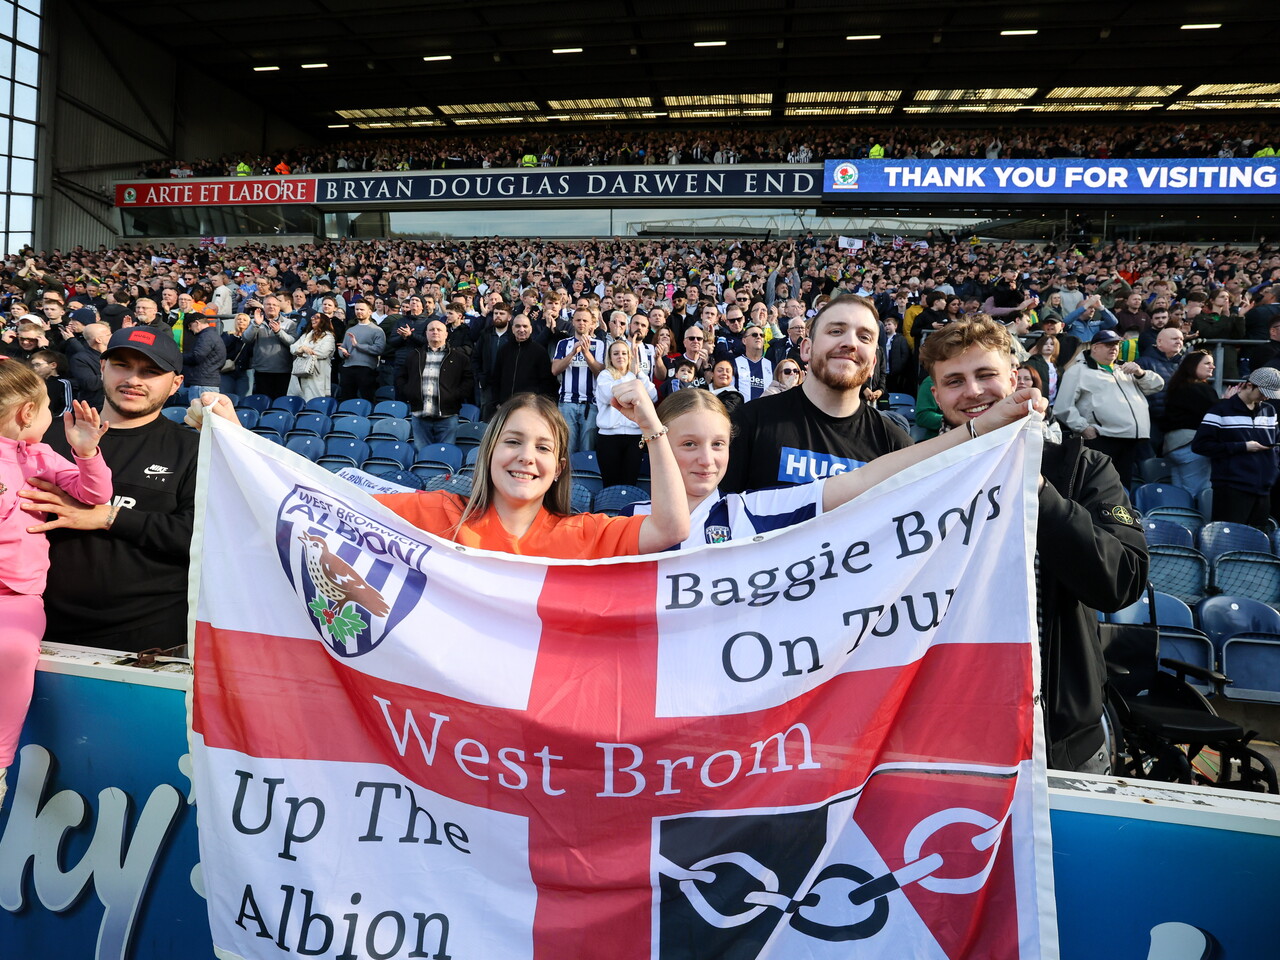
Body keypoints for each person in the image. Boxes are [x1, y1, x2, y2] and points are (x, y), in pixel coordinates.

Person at [919, 317, 1148, 773]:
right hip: (941, 730)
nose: (973, 392)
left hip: (1060, 734)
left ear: (1013, 378)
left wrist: (1036, 487)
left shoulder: (1084, 466)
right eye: (954, 381)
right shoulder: (917, 474)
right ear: (937, 394)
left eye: (986, 375)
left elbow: (1120, 581)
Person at [625, 367, 1045, 549]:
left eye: (718, 444)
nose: (707, 460)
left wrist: (978, 430)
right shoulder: (621, 523)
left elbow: (868, 479)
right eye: (687, 444)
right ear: (655, 443)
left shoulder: (750, 510)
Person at [20, 327, 197, 653]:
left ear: (175, 384)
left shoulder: (193, 449)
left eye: (151, 372)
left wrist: (109, 516)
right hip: (37, 631)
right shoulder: (45, 438)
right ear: (102, 368)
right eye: (122, 365)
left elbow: (202, 537)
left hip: (150, 645)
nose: (133, 379)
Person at [370, 389, 688, 558]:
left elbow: (671, 528)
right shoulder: (437, 512)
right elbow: (330, 506)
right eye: (513, 441)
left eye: (543, 448)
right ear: (489, 451)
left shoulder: (582, 535)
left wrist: (651, 428)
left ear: (558, 469)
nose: (526, 457)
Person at [0, 363, 111, 810]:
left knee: (16, 652)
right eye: (49, 408)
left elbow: (95, 495)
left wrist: (86, 453)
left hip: (17, 597)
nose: (52, 416)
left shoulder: (41, 456)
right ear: (28, 412)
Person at [722, 295, 910, 492]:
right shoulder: (748, 423)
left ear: (873, 364)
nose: (850, 343)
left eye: (864, 337)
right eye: (836, 331)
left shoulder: (896, 447)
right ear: (806, 350)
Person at [1055, 329, 1164, 488]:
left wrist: (1140, 373)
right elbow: (1062, 407)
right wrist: (1084, 428)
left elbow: (1157, 385)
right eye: (1108, 344)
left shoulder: (1124, 369)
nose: (1114, 348)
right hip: (1101, 438)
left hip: (1130, 439)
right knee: (1100, 486)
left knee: (1122, 487)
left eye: (1116, 344)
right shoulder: (1077, 370)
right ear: (1094, 348)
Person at [1192, 368, 1280, 527]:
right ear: (1249, 385)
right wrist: (1242, 447)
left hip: (1264, 488)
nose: (1266, 397)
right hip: (1232, 487)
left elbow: (1276, 442)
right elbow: (1200, 446)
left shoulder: (1269, 411)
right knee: (1229, 539)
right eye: (1262, 392)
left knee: (1257, 542)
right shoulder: (1220, 410)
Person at [398, 317, 474, 447]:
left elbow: (468, 381)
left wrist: (454, 396)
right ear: (426, 333)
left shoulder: (459, 357)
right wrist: (410, 392)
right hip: (419, 415)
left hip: (448, 415)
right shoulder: (414, 355)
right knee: (422, 456)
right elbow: (401, 377)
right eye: (431, 329)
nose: (435, 332)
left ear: (446, 334)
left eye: (439, 329)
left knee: (445, 456)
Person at [594, 339, 657, 488]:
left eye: (623, 353)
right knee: (610, 483)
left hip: (634, 436)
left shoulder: (637, 377)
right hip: (608, 436)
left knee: (630, 482)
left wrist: (639, 374)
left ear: (629, 357)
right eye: (615, 353)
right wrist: (634, 387)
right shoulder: (604, 375)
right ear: (610, 358)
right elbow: (609, 396)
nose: (620, 356)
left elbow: (652, 396)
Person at [1161, 350, 1218, 495]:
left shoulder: (1177, 386)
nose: (1212, 367)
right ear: (1192, 366)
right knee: (1198, 494)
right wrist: (1226, 402)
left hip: (1173, 446)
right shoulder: (1199, 389)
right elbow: (1214, 414)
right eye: (1207, 363)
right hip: (1192, 446)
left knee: (1179, 495)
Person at [551, 307, 605, 455]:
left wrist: (586, 353)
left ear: (591, 323)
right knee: (566, 450)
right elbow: (555, 370)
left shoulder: (599, 344)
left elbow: (600, 373)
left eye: (585, 320)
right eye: (578, 320)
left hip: (590, 403)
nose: (581, 323)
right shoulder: (563, 344)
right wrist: (573, 353)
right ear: (573, 322)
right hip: (567, 402)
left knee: (587, 450)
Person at [495, 314, 556, 405]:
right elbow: (496, 378)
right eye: (518, 326)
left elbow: (546, 382)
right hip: (505, 405)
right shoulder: (504, 350)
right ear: (512, 329)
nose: (521, 330)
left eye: (525, 326)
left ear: (531, 329)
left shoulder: (540, 352)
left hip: (529, 405)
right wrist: (497, 402)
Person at [242, 294, 295, 399]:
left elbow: (293, 342)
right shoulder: (255, 322)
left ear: (279, 308)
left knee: (280, 403)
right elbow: (246, 339)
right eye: (268, 304)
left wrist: (279, 332)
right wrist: (256, 325)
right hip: (261, 370)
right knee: (262, 402)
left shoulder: (290, 323)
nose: (271, 307)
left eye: (274, 305)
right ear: (263, 307)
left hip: (283, 371)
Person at [338, 300, 385, 402]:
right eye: (357, 309)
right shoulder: (350, 330)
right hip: (348, 368)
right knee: (347, 400)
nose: (359, 311)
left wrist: (358, 346)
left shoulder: (377, 330)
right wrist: (343, 353)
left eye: (362, 309)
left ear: (370, 312)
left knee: (367, 399)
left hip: (366, 369)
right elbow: (343, 347)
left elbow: (379, 349)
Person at [288, 312, 336, 401]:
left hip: (317, 374)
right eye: (312, 317)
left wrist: (302, 351)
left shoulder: (329, 337)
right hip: (300, 372)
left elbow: (322, 353)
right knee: (298, 400)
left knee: (314, 400)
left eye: (316, 317)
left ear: (323, 321)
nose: (313, 319)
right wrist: (302, 348)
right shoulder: (307, 335)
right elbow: (292, 347)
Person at [181, 315, 227, 400]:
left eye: (190, 326)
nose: (190, 329)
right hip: (208, 382)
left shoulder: (206, 336)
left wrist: (178, 357)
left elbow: (196, 357)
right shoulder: (212, 335)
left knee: (199, 412)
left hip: (202, 384)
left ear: (197, 323)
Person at [1023, 334, 1060, 407]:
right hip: (1038, 402)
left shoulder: (1058, 367)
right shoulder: (1032, 363)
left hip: (1053, 404)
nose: (1048, 346)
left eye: (1052, 344)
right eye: (1045, 344)